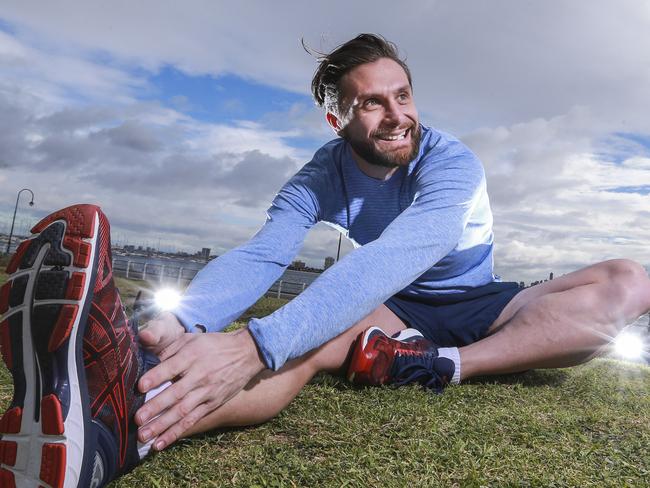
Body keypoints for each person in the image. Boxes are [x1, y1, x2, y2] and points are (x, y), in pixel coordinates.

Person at [1, 34, 649, 487]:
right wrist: (189, 321)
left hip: (482, 299)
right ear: (336, 119)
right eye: (373, 102)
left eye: (403, 95)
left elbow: (406, 250)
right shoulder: (320, 175)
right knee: (306, 348)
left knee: (630, 282)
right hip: (396, 307)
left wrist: (257, 343)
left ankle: (445, 366)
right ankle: (118, 432)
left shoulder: (451, 161)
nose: (398, 115)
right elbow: (264, 252)